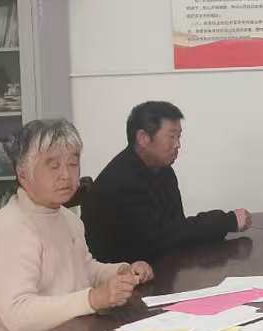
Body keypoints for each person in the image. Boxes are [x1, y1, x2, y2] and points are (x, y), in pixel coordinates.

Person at [0, 118, 152, 331]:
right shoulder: (10, 229)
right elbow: (17, 314)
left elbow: (84, 268)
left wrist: (122, 271)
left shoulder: (66, 218)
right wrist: (93, 299)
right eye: (53, 165)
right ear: (23, 173)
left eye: (72, 164)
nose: (66, 175)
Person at [83, 101, 251, 262]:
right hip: (119, 274)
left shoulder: (163, 170)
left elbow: (178, 230)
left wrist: (222, 223)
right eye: (171, 137)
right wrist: (226, 221)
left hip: (159, 264)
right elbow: (164, 239)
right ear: (143, 138)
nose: (178, 145)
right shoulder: (121, 181)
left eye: (179, 137)